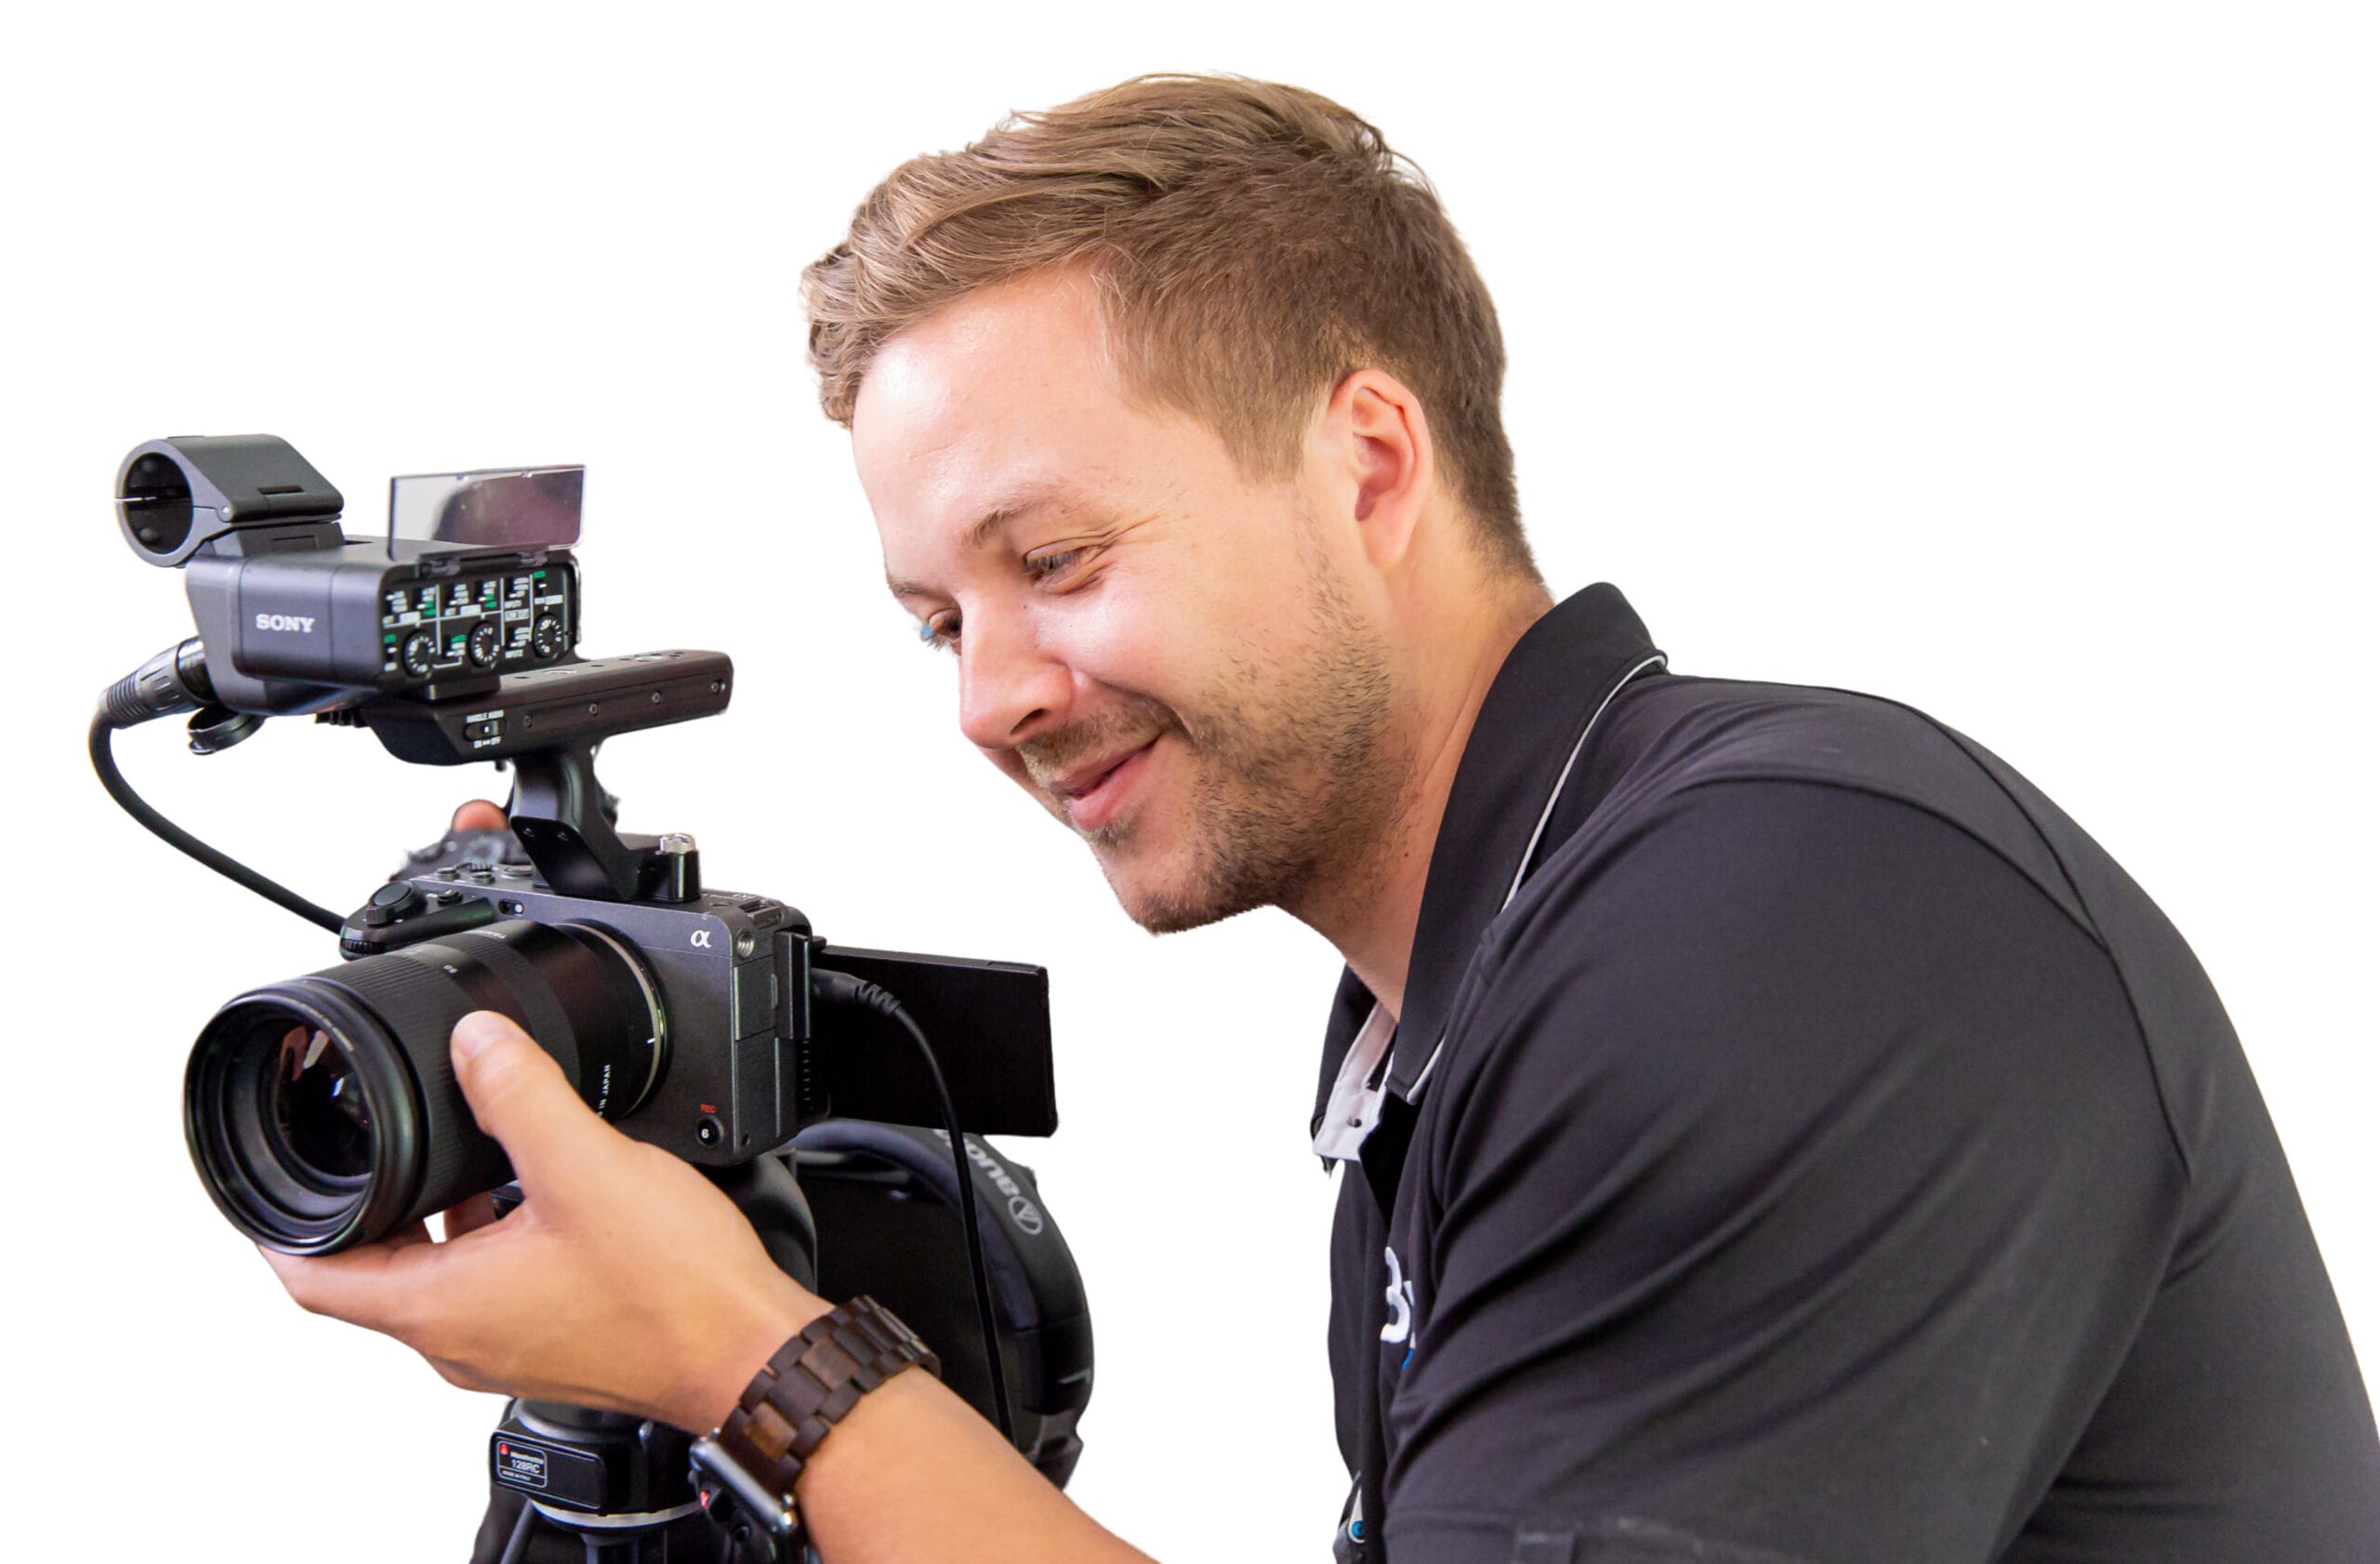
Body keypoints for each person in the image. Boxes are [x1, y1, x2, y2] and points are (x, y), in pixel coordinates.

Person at [266, 74, 2380, 1562]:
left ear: (1367, 464)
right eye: (937, 624)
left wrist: (754, 1362)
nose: (991, 696)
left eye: (1057, 560)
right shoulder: (1465, 999)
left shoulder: (1780, 921)